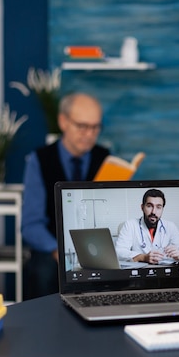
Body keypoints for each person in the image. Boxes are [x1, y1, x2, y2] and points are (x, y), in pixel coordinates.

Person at [22, 93, 110, 300]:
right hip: (52, 249)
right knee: (43, 272)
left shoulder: (105, 158)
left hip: (95, 247)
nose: (89, 134)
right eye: (82, 126)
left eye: (95, 127)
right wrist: (59, 252)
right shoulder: (40, 160)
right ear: (63, 121)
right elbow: (31, 224)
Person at [115, 189, 179, 264]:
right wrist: (143, 257)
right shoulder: (130, 225)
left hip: (165, 270)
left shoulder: (170, 226)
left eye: (158, 207)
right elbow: (119, 252)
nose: (153, 212)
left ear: (162, 209)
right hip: (141, 271)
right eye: (149, 206)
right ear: (142, 207)